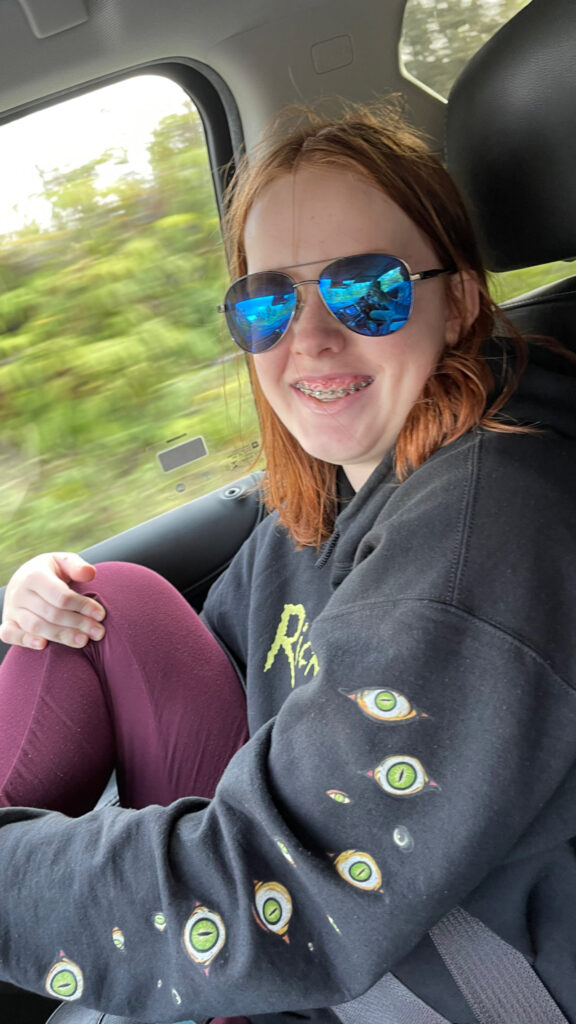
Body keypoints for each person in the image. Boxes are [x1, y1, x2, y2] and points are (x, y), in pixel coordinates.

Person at [1, 101, 576, 1024]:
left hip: (400, 977)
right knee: (108, 597)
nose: (309, 338)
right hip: (296, 906)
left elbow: (271, 899)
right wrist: (50, 599)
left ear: (459, 298)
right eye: (268, 301)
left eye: (367, 291)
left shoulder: (483, 541)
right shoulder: (329, 497)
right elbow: (229, 660)